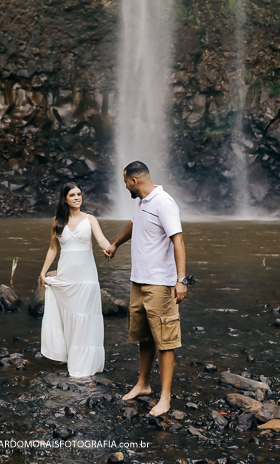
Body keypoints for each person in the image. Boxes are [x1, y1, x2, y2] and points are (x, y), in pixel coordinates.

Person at [104, 161, 188, 417]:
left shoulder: (164, 202)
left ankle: (165, 397)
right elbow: (133, 224)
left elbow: (178, 240)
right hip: (138, 281)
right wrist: (116, 243)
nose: (125, 185)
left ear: (135, 180)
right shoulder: (141, 202)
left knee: (165, 340)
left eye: (125, 181)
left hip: (160, 283)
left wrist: (181, 280)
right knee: (144, 335)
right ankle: (143, 384)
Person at [39, 181, 112, 377]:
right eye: (72, 195)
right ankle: (70, 356)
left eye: (79, 194)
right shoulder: (57, 220)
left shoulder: (90, 219)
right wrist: (43, 271)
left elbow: (101, 239)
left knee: (84, 319)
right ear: (65, 198)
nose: (77, 197)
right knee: (69, 318)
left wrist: (109, 247)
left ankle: (84, 364)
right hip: (66, 278)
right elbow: (53, 248)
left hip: (86, 278)